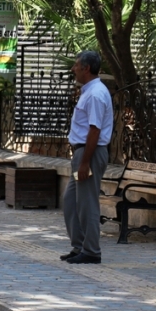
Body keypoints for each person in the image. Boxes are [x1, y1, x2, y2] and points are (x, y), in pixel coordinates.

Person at [61, 51, 113, 264]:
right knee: (71, 201)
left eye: (76, 65)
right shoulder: (88, 92)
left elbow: (95, 130)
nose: (73, 69)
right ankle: (79, 246)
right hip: (82, 152)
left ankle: (91, 251)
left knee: (87, 203)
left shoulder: (95, 94)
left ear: (86, 68)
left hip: (89, 153)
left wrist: (84, 163)